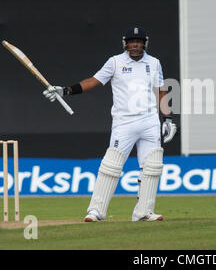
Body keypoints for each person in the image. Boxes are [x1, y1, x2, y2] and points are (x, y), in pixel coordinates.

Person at [43, 26, 177, 222]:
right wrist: (65, 91)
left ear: (144, 43)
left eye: (138, 41)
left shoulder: (154, 63)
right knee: (111, 166)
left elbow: (161, 91)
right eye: (132, 41)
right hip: (124, 122)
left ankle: (143, 212)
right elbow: (93, 81)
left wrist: (168, 118)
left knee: (152, 166)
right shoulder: (115, 62)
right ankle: (96, 211)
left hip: (150, 122)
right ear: (125, 43)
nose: (135, 45)